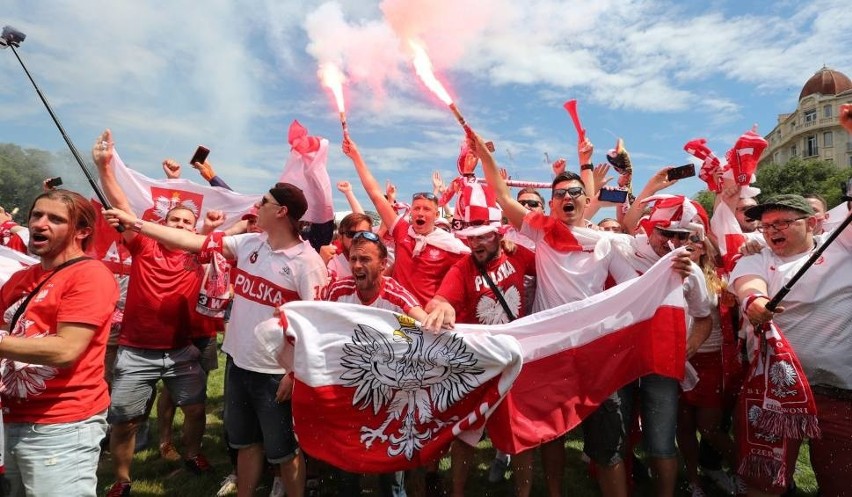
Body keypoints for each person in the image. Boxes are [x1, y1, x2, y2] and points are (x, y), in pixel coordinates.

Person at [105, 182, 328, 497]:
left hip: (275, 375)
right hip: (237, 365)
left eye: (263, 201)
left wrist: (295, 374)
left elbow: (313, 327)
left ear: (281, 211)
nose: (257, 206)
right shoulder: (250, 243)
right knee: (246, 443)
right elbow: (192, 241)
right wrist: (139, 225)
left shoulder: (307, 263)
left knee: (284, 451)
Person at [477, 131, 642, 497]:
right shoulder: (543, 233)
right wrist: (483, 157)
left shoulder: (606, 242)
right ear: (551, 205)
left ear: (586, 201)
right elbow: (503, 195)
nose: (566, 199)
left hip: (593, 353)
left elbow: (632, 290)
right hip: (550, 352)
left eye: (573, 194)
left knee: (607, 444)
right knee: (548, 432)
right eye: (559, 196)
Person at [93, 134, 213, 497]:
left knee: (194, 410)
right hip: (135, 350)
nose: (178, 226)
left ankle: (192, 455)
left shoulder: (198, 253)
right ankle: (123, 479)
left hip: (181, 350)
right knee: (126, 420)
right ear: (164, 223)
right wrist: (104, 167)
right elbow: (121, 204)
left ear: (192, 230)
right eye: (173, 220)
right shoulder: (144, 244)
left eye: (184, 223)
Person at [731, 194, 852, 497]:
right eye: (766, 225)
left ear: (811, 222)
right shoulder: (756, 257)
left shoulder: (842, 246)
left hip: (838, 391)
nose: (772, 230)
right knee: (764, 482)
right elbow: (748, 285)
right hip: (775, 396)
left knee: (840, 481)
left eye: (783, 222)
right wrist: (755, 302)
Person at [0, 189, 119, 497]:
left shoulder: (90, 276)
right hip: (11, 418)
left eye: (55, 219)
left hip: (62, 426)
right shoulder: (20, 279)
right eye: (37, 215)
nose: (40, 224)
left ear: (82, 231)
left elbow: (66, 349)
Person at [422, 191, 536, 497]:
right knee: (466, 433)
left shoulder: (519, 254)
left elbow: (553, 272)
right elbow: (441, 299)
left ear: (499, 234)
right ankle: (458, 492)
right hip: (480, 364)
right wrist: (441, 307)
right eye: (471, 238)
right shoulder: (462, 267)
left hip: (515, 359)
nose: (476, 244)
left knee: (520, 434)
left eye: (483, 237)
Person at [325, 230, 424, 497]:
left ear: (383, 264)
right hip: (346, 389)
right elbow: (314, 325)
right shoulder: (337, 291)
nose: (357, 265)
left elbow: (422, 326)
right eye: (353, 258)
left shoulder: (395, 296)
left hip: (388, 389)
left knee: (388, 462)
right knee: (348, 462)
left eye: (365, 259)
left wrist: (440, 314)